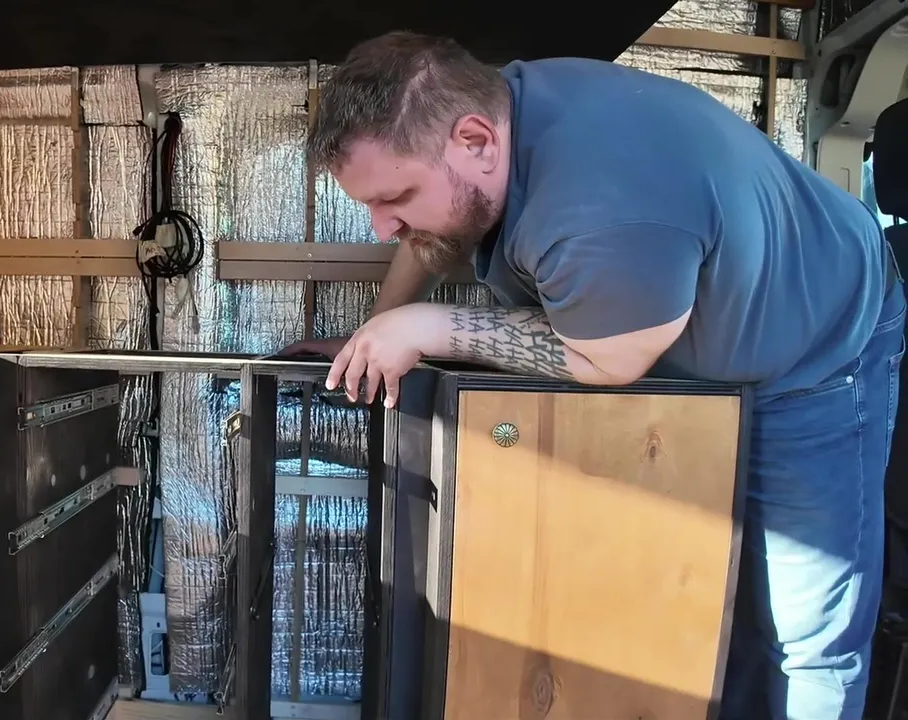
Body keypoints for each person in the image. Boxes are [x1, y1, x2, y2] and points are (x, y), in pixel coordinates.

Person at [281, 31, 906, 720]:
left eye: (396, 196)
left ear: (476, 140)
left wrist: (431, 327)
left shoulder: (600, 201)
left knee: (803, 629)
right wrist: (377, 332)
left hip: (816, 348)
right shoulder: (497, 116)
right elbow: (430, 230)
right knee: (716, 604)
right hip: (696, 350)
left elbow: (608, 359)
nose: (380, 228)